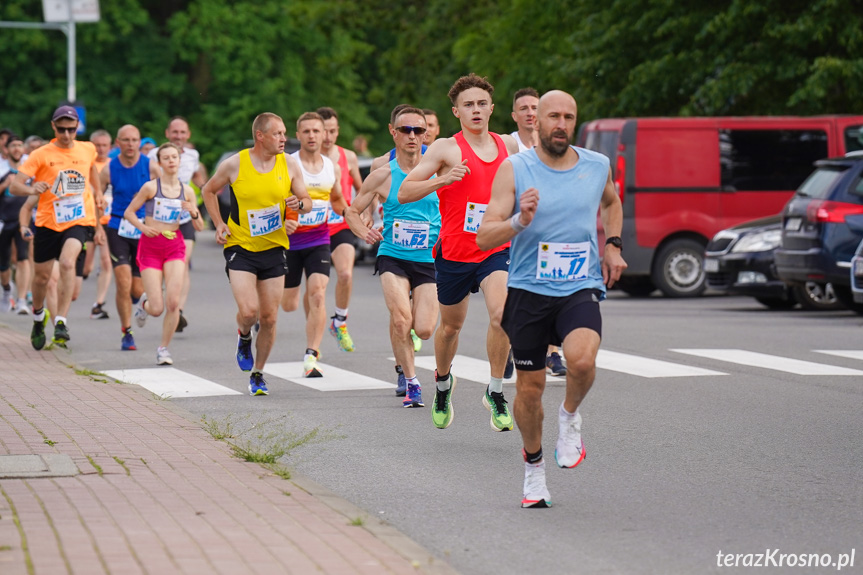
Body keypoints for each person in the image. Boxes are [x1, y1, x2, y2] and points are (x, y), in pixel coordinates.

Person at [477, 90, 627, 508]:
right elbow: (484, 234)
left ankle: (570, 416)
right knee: (529, 389)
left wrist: (612, 245)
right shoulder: (515, 169)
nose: (561, 124)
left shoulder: (597, 166)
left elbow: (612, 202)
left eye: (569, 117)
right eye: (553, 116)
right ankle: (534, 469)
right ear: (536, 121)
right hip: (527, 290)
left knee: (581, 360)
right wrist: (518, 221)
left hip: (578, 285)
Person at [399, 73, 519, 432]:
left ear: (492, 108)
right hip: (454, 251)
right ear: (457, 111)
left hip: (494, 248)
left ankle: (495, 390)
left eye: (482, 103)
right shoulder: (445, 149)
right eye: (469, 105)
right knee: (450, 327)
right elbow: (405, 192)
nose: (476, 110)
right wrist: (442, 180)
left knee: (502, 315)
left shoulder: (508, 147)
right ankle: (442, 384)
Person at [202, 112, 311, 395]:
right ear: (260, 136)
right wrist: (218, 223)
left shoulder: (289, 164)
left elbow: (308, 202)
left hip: (274, 247)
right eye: (278, 134)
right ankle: (243, 334)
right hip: (240, 246)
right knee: (249, 312)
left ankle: (258, 373)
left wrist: (298, 204)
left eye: (284, 133)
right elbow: (208, 190)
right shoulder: (235, 164)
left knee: (270, 318)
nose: (284, 139)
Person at [345, 106, 440, 407]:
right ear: (393, 132)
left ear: (426, 133)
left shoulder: (438, 170)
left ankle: (408, 346)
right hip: (393, 255)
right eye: (405, 130)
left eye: (418, 131)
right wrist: (363, 231)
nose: (412, 136)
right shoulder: (383, 174)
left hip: (427, 257)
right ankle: (411, 382)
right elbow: (351, 210)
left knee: (423, 328)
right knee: (401, 320)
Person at [10, 106, 105, 350]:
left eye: (71, 129)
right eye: (61, 129)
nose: (66, 134)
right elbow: (15, 187)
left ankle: (61, 320)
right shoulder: (40, 155)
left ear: (77, 128)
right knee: (41, 278)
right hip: (47, 222)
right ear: (54, 127)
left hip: (78, 220)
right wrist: (33, 189)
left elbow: (91, 168)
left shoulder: (87, 149)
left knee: (66, 263)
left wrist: (98, 194)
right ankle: (39, 316)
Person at [126, 143, 204, 365]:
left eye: (174, 157)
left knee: (173, 303)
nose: (171, 161)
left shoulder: (187, 191)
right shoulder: (151, 187)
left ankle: (163, 349)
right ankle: (144, 305)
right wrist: (143, 228)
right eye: (166, 158)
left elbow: (199, 225)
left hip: (174, 245)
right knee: (157, 308)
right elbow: (129, 212)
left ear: (180, 161)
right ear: (159, 163)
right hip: (150, 246)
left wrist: (194, 211)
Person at [282, 112, 347, 377]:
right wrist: (282, 219)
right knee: (288, 305)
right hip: (287, 241)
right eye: (306, 131)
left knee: (318, 293)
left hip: (319, 238)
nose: (311, 136)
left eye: (316, 131)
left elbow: (338, 200)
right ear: (297, 135)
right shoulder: (287, 163)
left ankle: (312, 355)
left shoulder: (333, 167)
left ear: (324, 135)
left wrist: (356, 214)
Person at [148, 117, 208, 332]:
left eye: (182, 132)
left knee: (182, 262)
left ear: (188, 134)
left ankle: (178, 310)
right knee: (166, 266)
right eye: (175, 133)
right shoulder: (153, 155)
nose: (179, 136)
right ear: (167, 133)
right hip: (161, 218)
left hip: (184, 217)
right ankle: (156, 293)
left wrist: (209, 189)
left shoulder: (192, 155)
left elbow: (198, 178)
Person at [317, 107, 365, 353]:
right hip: (312, 227)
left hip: (341, 224)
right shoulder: (301, 160)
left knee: (345, 274)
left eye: (332, 131)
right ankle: (313, 329)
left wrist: (369, 210)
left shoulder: (348, 157)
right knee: (313, 288)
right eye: (323, 131)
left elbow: (363, 188)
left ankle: (340, 321)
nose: (327, 137)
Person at [100, 125, 151, 351]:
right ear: (117, 143)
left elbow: (165, 192)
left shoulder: (151, 166)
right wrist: (97, 226)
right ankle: (127, 332)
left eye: (134, 140)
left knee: (137, 290)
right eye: (126, 140)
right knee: (123, 282)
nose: (130, 144)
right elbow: (95, 199)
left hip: (142, 228)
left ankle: (139, 303)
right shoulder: (109, 169)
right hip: (117, 226)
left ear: (139, 141)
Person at [0, 135, 31, 313]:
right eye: (13, 146)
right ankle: (6, 290)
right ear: (7, 149)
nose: (17, 149)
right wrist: (5, 184)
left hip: (23, 221)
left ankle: (21, 301)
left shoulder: (28, 171)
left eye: (20, 145)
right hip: (4, 221)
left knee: (23, 258)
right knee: (3, 264)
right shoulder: (2, 169)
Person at [85, 129, 114, 320]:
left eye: (105, 145)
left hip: (107, 221)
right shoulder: (86, 164)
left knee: (106, 261)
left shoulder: (114, 166)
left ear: (110, 146)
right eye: (97, 145)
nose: (101, 149)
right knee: (84, 267)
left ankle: (99, 303)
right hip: (86, 219)